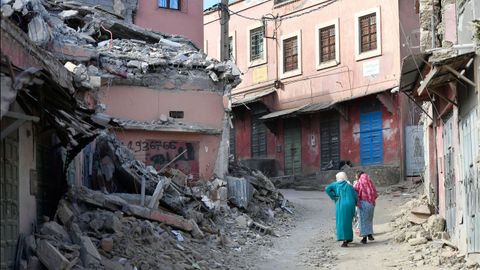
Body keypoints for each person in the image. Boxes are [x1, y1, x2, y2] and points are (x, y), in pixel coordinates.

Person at [325, 172, 358, 247]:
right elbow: (355, 195)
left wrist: (334, 197)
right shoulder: (349, 185)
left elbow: (327, 189)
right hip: (351, 204)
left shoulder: (335, 184)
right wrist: (356, 204)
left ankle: (344, 240)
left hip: (341, 204)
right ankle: (349, 238)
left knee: (342, 222)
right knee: (349, 221)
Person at [353, 171, 378, 244]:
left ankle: (364, 238)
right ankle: (370, 235)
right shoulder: (370, 183)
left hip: (363, 204)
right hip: (371, 204)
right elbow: (375, 194)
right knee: (369, 220)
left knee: (363, 221)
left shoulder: (359, 183)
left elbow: (354, 191)